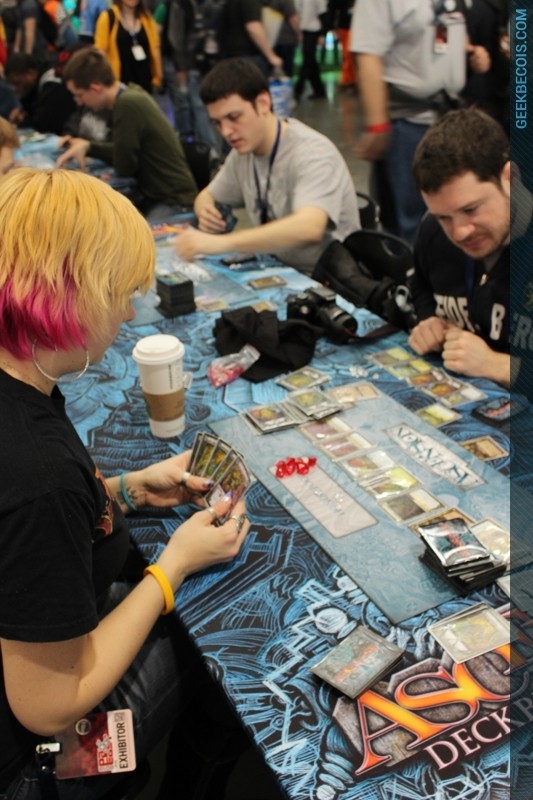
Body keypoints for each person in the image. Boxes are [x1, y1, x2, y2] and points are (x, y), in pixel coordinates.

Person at [0, 166, 250, 799]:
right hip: (25, 758)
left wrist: (129, 490)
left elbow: (21, 541)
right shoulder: (40, 472)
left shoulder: (22, 391)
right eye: (120, 292)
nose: (130, 311)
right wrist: (173, 567)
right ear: (72, 295)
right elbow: (48, 706)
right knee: (210, 649)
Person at [174, 57, 360, 275]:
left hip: (327, 279)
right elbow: (207, 196)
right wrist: (205, 211)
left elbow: (310, 227)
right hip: (279, 268)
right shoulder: (243, 152)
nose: (226, 132)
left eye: (234, 117)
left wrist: (221, 243)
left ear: (263, 103)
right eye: (218, 123)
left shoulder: (312, 153)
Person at [350, 0, 491, 245]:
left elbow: (449, 29)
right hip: (408, 123)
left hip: (449, 119)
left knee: (456, 211)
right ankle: (417, 269)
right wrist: (377, 124)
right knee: (414, 222)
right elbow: (368, 55)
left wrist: (471, 51)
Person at [407, 107, 522, 387]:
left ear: (510, 179)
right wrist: (429, 321)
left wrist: (497, 365)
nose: (459, 232)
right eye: (443, 217)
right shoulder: (432, 230)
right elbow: (420, 285)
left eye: (471, 209)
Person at [56, 46, 197, 217]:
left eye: (79, 95)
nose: (80, 102)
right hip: (158, 196)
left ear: (95, 88)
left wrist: (92, 147)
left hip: (173, 202)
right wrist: (88, 146)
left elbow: (125, 165)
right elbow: (124, 150)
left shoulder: (126, 105)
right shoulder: (131, 93)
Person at [94, 0, 162, 94]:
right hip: (119, 85)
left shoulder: (147, 18)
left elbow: (155, 48)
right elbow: (101, 52)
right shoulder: (108, 18)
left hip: (145, 83)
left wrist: (158, 78)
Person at [4, 51, 78, 131]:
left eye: (17, 83)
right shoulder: (36, 83)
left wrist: (23, 120)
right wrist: (23, 110)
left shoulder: (54, 82)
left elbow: (44, 125)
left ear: (30, 73)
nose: (15, 89)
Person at [219, 0, 282, 75]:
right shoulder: (251, 2)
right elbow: (253, 27)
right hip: (248, 56)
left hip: (231, 54)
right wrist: (271, 56)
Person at [294, 0, 328, 101]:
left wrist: (323, 34)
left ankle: (298, 90)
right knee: (311, 62)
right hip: (303, 29)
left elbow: (323, 13)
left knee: (308, 61)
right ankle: (319, 91)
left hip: (313, 30)